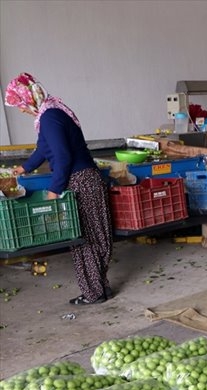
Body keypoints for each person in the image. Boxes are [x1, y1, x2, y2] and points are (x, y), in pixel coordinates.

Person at [5, 73, 113, 305]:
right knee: (93, 236)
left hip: (80, 181)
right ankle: (101, 288)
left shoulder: (50, 117)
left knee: (85, 239)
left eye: (20, 106)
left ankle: (94, 293)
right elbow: (45, 149)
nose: (22, 111)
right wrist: (23, 168)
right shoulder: (52, 112)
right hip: (86, 179)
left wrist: (55, 189)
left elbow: (62, 156)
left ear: (28, 99)